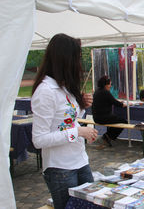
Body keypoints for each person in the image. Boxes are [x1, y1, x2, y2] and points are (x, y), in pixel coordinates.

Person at [31, 33, 98, 209]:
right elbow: (39, 140)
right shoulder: (46, 91)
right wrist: (78, 132)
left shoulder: (64, 87)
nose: (79, 65)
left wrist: (82, 106)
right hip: (60, 168)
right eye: (76, 59)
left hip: (80, 160)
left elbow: (69, 120)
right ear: (64, 60)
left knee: (91, 205)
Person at [92, 75, 128, 147]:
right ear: (106, 85)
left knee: (117, 119)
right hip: (103, 118)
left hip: (96, 118)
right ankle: (107, 136)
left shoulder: (97, 91)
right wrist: (125, 104)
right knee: (124, 121)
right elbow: (116, 103)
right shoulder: (105, 92)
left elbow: (111, 100)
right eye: (110, 84)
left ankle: (107, 136)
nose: (110, 86)